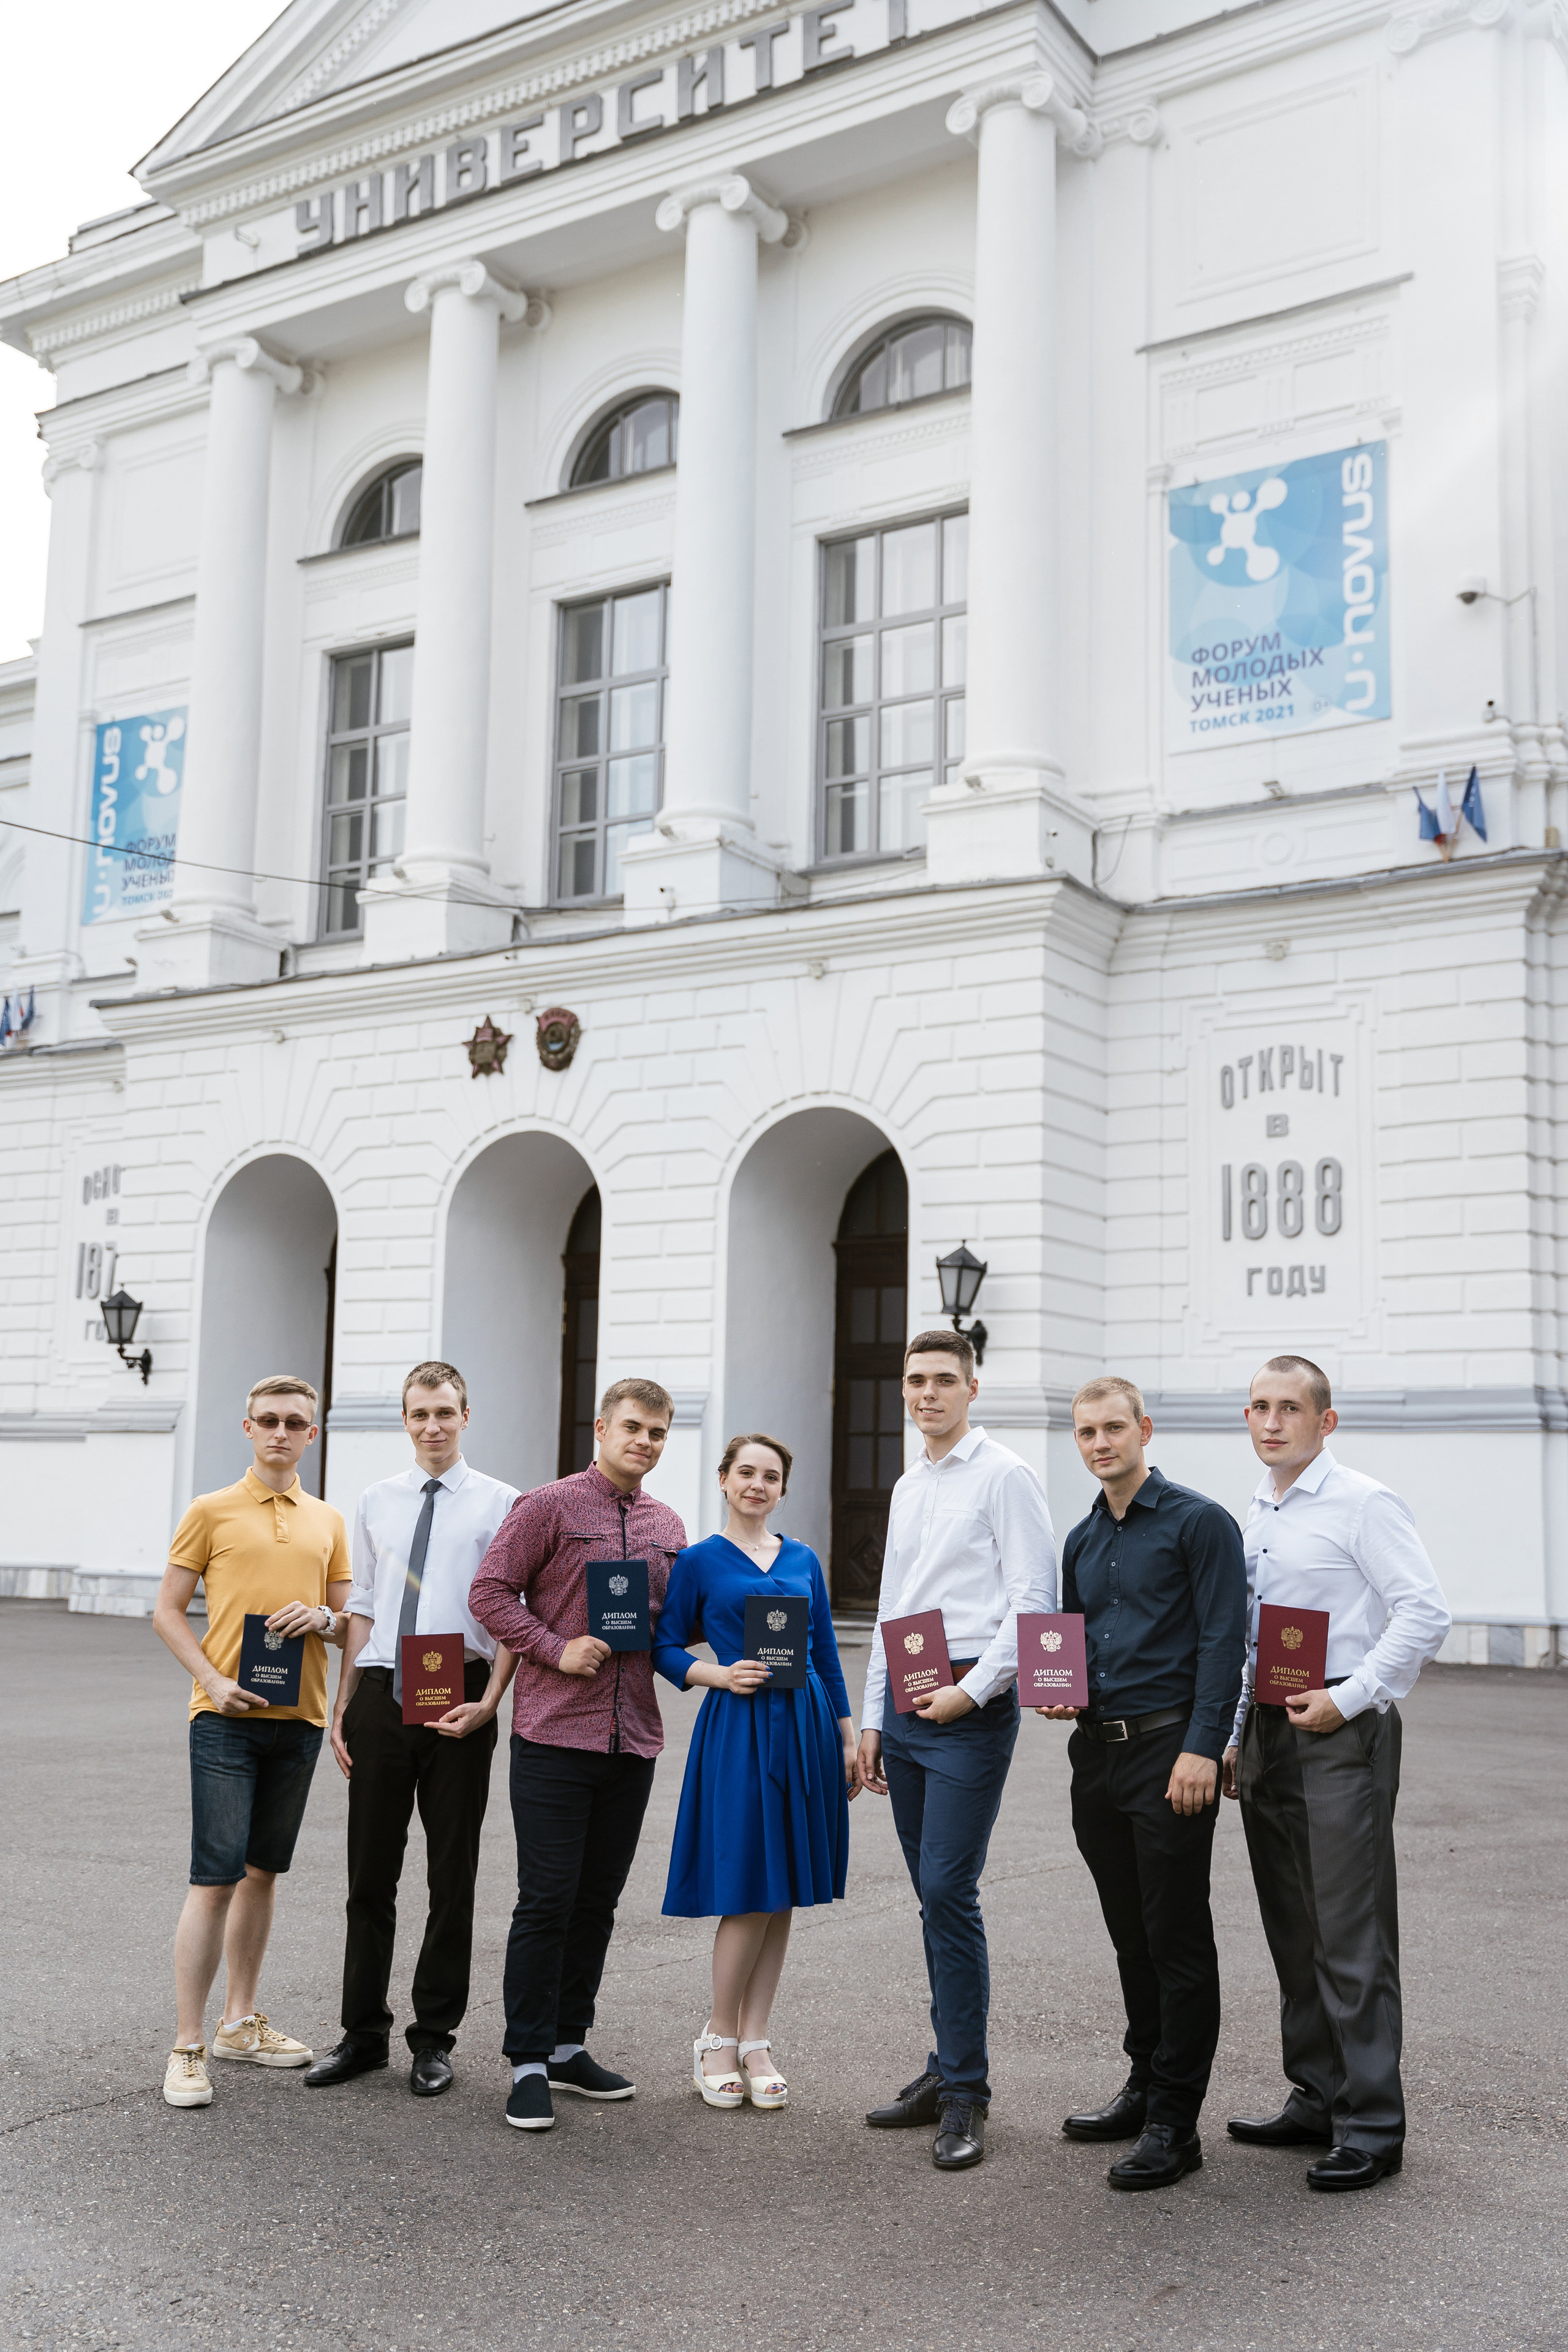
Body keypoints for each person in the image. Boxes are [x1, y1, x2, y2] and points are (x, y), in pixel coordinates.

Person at [1221, 1355, 1450, 2192]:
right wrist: (1239, 1730)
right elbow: (1253, 1637)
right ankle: (1316, 2094)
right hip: (1271, 1733)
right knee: (1292, 1925)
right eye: (1259, 1407)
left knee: (1349, 1932)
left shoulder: (1363, 1503)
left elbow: (1425, 1610)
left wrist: (1352, 1697)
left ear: (1327, 1421)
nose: (1272, 1421)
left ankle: (1373, 2124)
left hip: (1339, 1735)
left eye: (1290, 1408)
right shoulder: (1256, 1510)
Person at [857, 1330, 1056, 2171]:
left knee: (949, 1888)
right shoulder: (908, 1485)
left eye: (944, 1380)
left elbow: (1035, 1598)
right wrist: (872, 1717)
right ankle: (943, 2070)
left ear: (974, 1388)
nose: (928, 1393)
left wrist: (973, 1692)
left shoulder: (1006, 1475)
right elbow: (895, 1604)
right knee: (931, 1896)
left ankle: (967, 2092)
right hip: (906, 1698)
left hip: (970, 1701)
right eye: (916, 1381)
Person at [1041, 1378, 1246, 2190]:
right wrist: (1060, 1691)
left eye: (1113, 1428)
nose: (1099, 1444)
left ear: (1144, 1430)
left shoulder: (1200, 1524)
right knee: (1131, 1935)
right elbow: (1068, 1637)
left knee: (1176, 1936)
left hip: (1171, 1755)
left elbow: (1224, 1641)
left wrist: (1204, 1747)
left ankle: (1176, 2123)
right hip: (1097, 1760)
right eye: (1086, 1432)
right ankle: (1142, 2084)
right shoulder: (1081, 1539)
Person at [469, 1377, 687, 2133]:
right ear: (601, 1428)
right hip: (555, 1735)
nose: (645, 1442)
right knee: (547, 1900)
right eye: (633, 1428)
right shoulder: (548, 1506)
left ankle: (568, 2046)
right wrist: (556, 1650)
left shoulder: (667, 1523)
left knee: (597, 1903)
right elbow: (490, 1594)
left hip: (634, 1741)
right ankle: (526, 2061)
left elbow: (675, 1626)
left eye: (658, 1433)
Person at [304, 1362, 519, 2098]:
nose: (433, 1426)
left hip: (460, 1693)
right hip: (384, 1692)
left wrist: (491, 1700)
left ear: (467, 1415)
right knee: (370, 1875)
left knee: (450, 1875)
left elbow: (513, 1612)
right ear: (405, 1419)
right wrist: (344, 1703)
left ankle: (434, 2039)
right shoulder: (375, 1501)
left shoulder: (503, 1504)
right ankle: (361, 2035)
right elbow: (362, 1601)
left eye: (445, 1413)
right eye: (420, 1414)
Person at [151, 1375, 350, 2109]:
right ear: (247, 1428)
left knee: (263, 1874)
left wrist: (321, 1621)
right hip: (225, 1719)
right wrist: (213, 1675)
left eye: (294, 1422)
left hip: (296, 1721)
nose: (279, 1432)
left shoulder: (327, 1520)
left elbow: (344, 1618)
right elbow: (169, 1612)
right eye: (267, 1420)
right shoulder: (210, 1511)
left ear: (311, 1436)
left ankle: (239, 2021)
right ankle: (186, 2046)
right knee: (214, 1879)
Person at [654, 1433, 856, 2111]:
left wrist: (847, 1735)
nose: (757, 1485)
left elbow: (824, 1651)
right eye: (746, 1472)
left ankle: (756, 2038)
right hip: (738, 1727)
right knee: (748, 1882)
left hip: (804, 1726)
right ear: (723, 1479)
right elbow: (663, 1643)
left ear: (782, 1488)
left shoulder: (801, 1559)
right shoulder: (700, 1561)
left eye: (771, 1476)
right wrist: (715, 1673)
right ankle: (716, 2034)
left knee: (785, 1887)